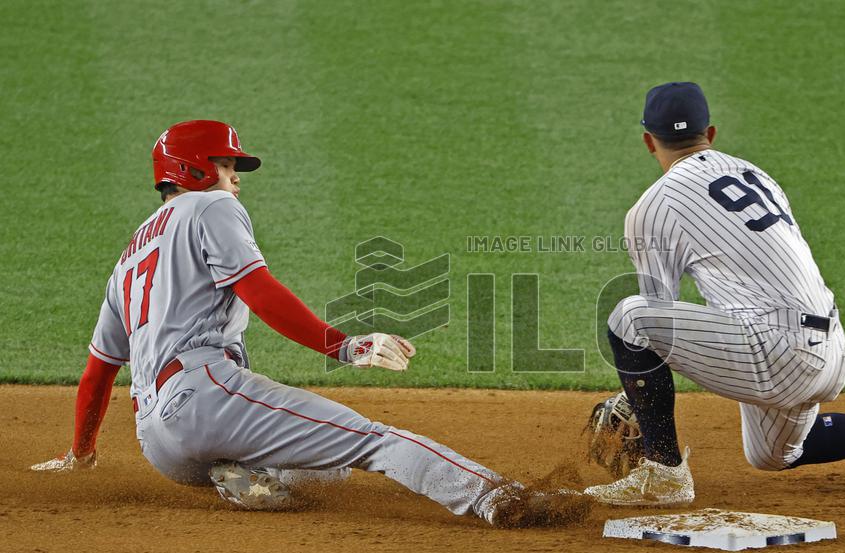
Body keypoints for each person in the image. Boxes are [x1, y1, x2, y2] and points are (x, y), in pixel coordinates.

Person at [32, 120, 587, 528]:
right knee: (375, 441)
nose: (234, 178)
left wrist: (80, 455)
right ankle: (503, 499)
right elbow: (257, 288)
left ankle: (253, 484)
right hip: (203, 394)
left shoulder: (127, 261)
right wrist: (341, 346)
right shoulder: (208, 207)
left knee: (329, 465)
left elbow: (98, 373)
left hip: (158, 442)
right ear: (194, 171)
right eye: (226, 166)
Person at [584, 83, 845, 506]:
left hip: (775, 350)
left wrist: (635, 399)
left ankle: (665, 476)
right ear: (709, 134)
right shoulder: (755, 175)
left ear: (647, 141)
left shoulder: (650, 209)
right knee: (772, 453)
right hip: (830, 349)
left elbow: (658, 319)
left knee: (630, 318)